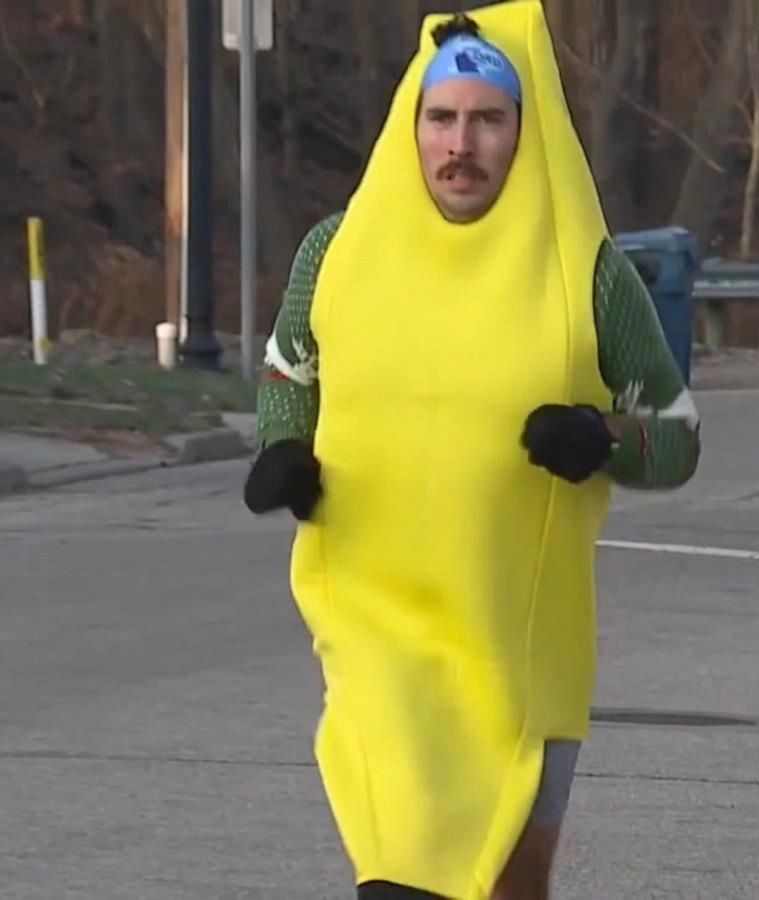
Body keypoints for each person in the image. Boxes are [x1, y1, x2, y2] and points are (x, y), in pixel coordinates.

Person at [243, 3, 700, 897]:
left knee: (507, 886)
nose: (462, 145)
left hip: (521, 649)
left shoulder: (588, 274)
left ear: (525, 135)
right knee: (404, 868)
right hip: (381, 635)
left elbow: (677, 441)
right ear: (410, 128)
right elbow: (288, 373)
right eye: (441, 118)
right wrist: (284, 450)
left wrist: (600, 438)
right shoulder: (336, 255)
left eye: (488, 120)